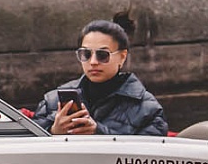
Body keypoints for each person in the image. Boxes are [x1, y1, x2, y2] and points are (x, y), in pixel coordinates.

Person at [32, 19, 168, 136]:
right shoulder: (53, 101)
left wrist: (98, 132)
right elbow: (28, 144)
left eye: (102, 55)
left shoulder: (148, 110)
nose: (93, 62)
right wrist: (53, 131)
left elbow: (150, 154)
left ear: (122, 57)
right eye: (86, 54)